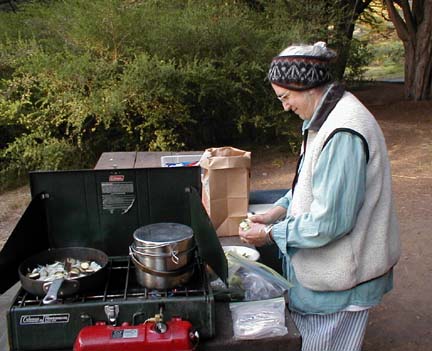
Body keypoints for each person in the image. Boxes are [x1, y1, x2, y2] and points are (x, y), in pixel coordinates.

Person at [238, 41, 401, 351]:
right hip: (328, 276)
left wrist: (271, 233)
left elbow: (330, 222)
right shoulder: (324, 116)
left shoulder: (343, 132)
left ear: (307, 86)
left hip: (342, 284)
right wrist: (278, 209)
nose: (284, 106)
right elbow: (313, 185)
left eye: (285, 97)